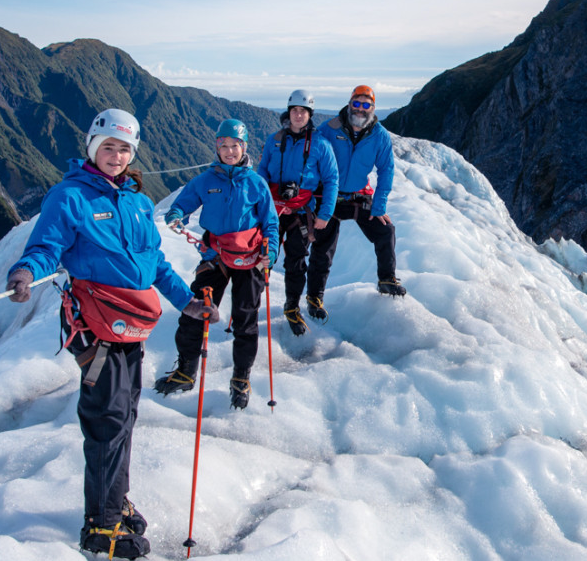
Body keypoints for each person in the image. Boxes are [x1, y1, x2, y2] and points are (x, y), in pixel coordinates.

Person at [5, 108, 219, 559]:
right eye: (108, 146)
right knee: (107, 423)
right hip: (97, 328)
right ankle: (100, 527)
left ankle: (114, 501)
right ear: (92, 148)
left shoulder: (137, 203)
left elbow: (155, 264)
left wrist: (188, 302)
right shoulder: (70, 197)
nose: (116, 155)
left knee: (124, 419)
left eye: (124, 148)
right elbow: (47, 247)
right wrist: (25, 271)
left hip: (129, 326)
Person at [154, 119, 279, 409]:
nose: (229, 151)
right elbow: (183, 203)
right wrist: (176, 215)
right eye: (223, 145)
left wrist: (270, 253)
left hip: (251, 258)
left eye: (235, 145)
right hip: (216, 254)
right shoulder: (206, 181)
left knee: (245, 320)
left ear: (244, 147)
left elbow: (271, 223)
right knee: (194, 311)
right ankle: (186, 371)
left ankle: (240, 377)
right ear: (217, 147)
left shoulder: (256, 183)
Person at [305, 85, 405, 321]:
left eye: (365, 104)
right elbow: (310, 160)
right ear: (349, 104)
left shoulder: (379, 135)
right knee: (323, 249)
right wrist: (308, 197)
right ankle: (314, 298)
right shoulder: (329, 129)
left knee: (385, 230)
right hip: (326, 195)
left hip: (357, 197)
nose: (360, 109)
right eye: (356, 103)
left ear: (373, 108)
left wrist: (379, 204)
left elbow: (386, 169)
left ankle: (386, 279)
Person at [257, 89, 339, 336]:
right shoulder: (274, 140)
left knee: (296, 261)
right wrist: (258, 202)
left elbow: (332, 179)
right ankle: (250, 301)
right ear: (288, 112)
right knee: (261, 256)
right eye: (295, 110)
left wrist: (325, 214)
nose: (298, 115)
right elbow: (262, 171)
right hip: (272, 208)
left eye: (303, 111)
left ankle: (292, 306)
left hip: (300, 212)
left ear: (309, 114)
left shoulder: (321, 145)